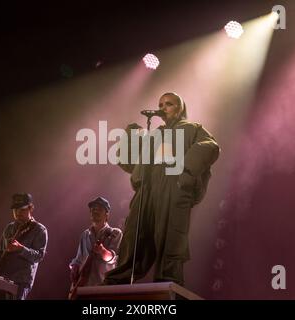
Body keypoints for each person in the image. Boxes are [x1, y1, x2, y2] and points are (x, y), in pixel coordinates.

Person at [104, 92, 220, 286]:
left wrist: (185, 172)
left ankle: (169, 278)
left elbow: (210, 146)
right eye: (160, 104)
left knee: (172, 234)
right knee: (136, 232)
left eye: (169, 104)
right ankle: (121, 276)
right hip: (148, 189)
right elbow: (130, 163)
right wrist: (131, 136)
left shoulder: (192, 128)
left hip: (173, 187)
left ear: (180, 108)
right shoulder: (154, 134)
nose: (163, 108)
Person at [0, 193, 48, 299]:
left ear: (30, 208)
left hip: (21, 281)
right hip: (2, 278)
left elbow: (39, 256)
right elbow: (0, 251)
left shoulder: (39, 229)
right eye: (15, 210)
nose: (18, 213)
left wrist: (21, 248)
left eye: (22, 209)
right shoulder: (9, 228)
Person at [69, 197, 122, 290]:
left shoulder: (115, 233)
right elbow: (79, 259)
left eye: (99, 209)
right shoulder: (85, 234)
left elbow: (114, 259)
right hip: (82, 285)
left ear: (107, 215)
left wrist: (102, 251)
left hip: (103, 286)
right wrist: (74, 267)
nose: (95, 211)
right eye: (93, 209)